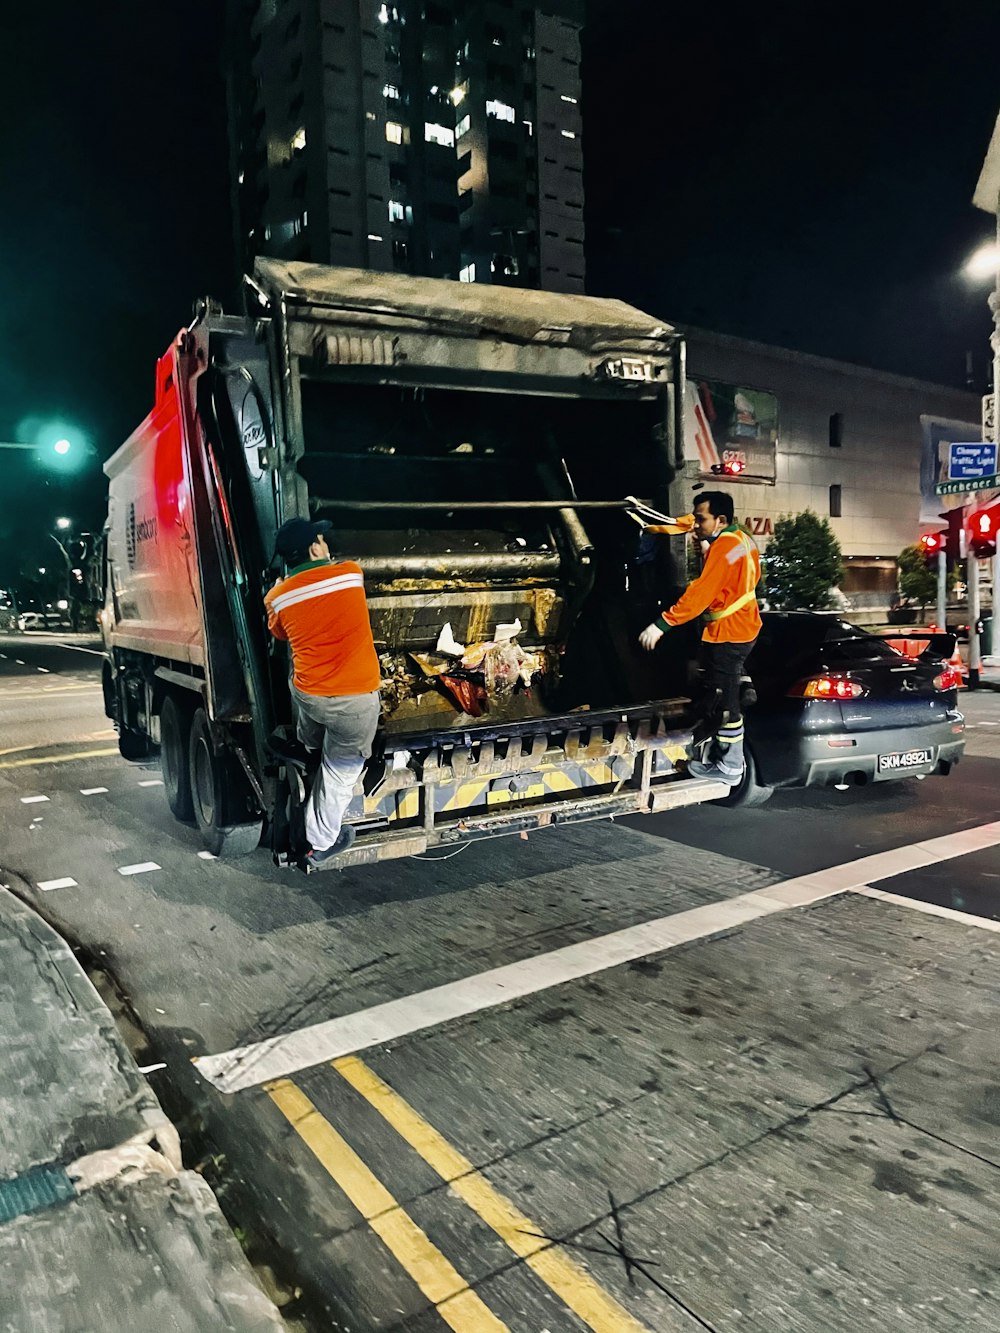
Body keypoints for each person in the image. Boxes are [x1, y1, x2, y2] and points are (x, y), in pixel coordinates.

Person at [265, 517, 381, 865]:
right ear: (316, 548)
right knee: (340, 775)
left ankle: (308, 745)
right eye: (323, 540)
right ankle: (317, 842)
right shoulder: (350, 573)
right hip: (355, 701)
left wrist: (281, 587)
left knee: (299, 676)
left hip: (311, 698)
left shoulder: (277, 597)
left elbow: (280, 634)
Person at [638, 491, 761, 786]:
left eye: (701, 519)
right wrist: (648, 519)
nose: (695, 525)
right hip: (745, 628)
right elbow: (730, 568)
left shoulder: (724, 547)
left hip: (727, 634)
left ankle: (729, 765)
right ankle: (741, 684)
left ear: (720, 519)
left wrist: (662, 624)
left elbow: (701, 593)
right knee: (722, 685)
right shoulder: (740, 540)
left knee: (725, 706)